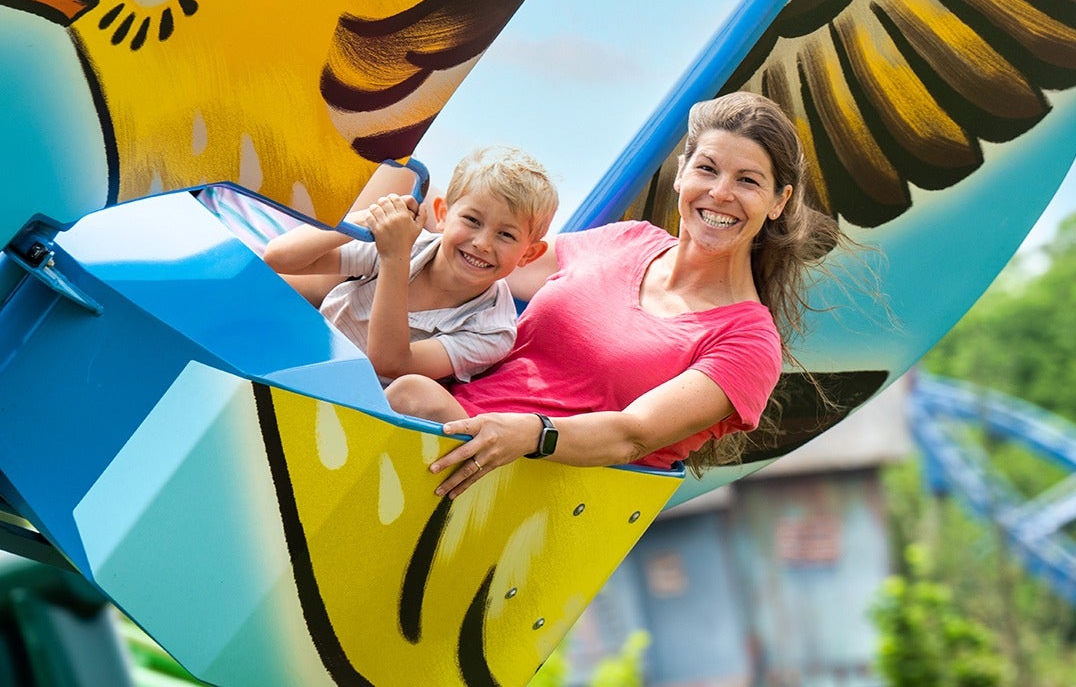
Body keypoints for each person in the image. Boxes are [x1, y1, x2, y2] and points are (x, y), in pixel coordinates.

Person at [385, 92, 841, 499]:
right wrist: (400, 217)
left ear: (778, 202)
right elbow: (486, 261)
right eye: (707, 169)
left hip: (535, 488)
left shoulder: (748, 341)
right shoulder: (627, 240)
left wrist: (530, 434)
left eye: (747, 181)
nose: (720, 193)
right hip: (452, 429)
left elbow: (634, 435)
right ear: (681, 175)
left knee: (409, 394)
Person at [263, 146, 558, 384]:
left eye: (505, 235)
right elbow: (278, 257)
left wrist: (395, 258)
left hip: (355, 398)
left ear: (528, 255)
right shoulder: (413, 245)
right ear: (442, 214)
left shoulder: (492, 330)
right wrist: (370, 218)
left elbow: (391, 362)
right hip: (309, 351)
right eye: (472, 220)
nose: (483, 243)